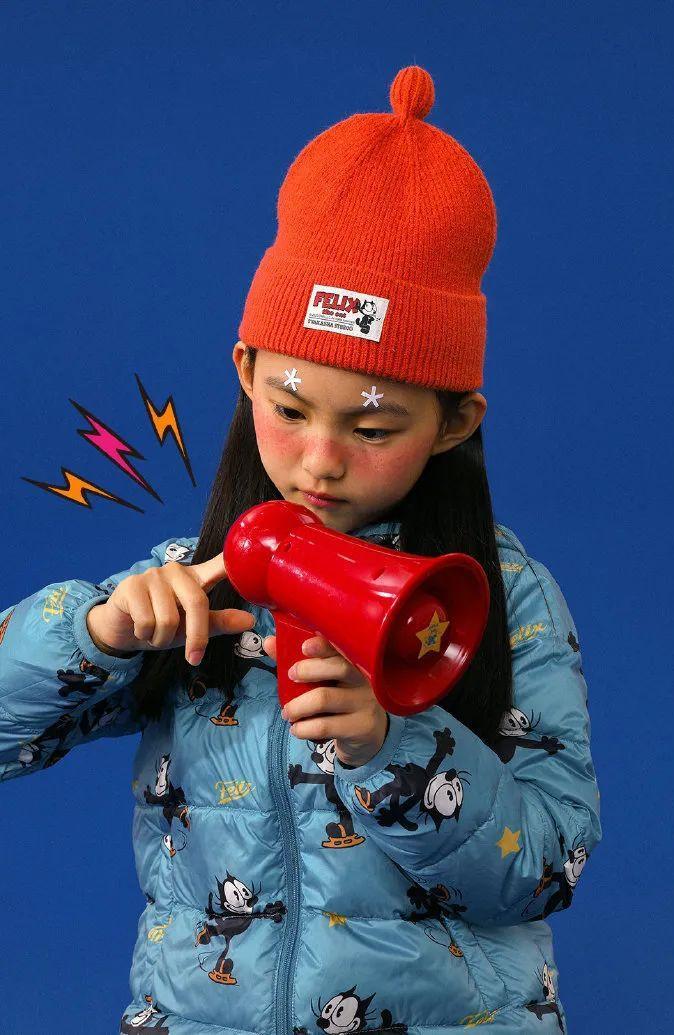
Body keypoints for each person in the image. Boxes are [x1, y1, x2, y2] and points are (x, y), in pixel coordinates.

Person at [0, 65, 601, 1033]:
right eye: (288, 410)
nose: (319, 462)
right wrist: (97, 633)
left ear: (454, 423)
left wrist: (393, 747)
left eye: (373, 428)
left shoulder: (507, 595)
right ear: (246, 372)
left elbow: (548, 864)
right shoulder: (190, 582)